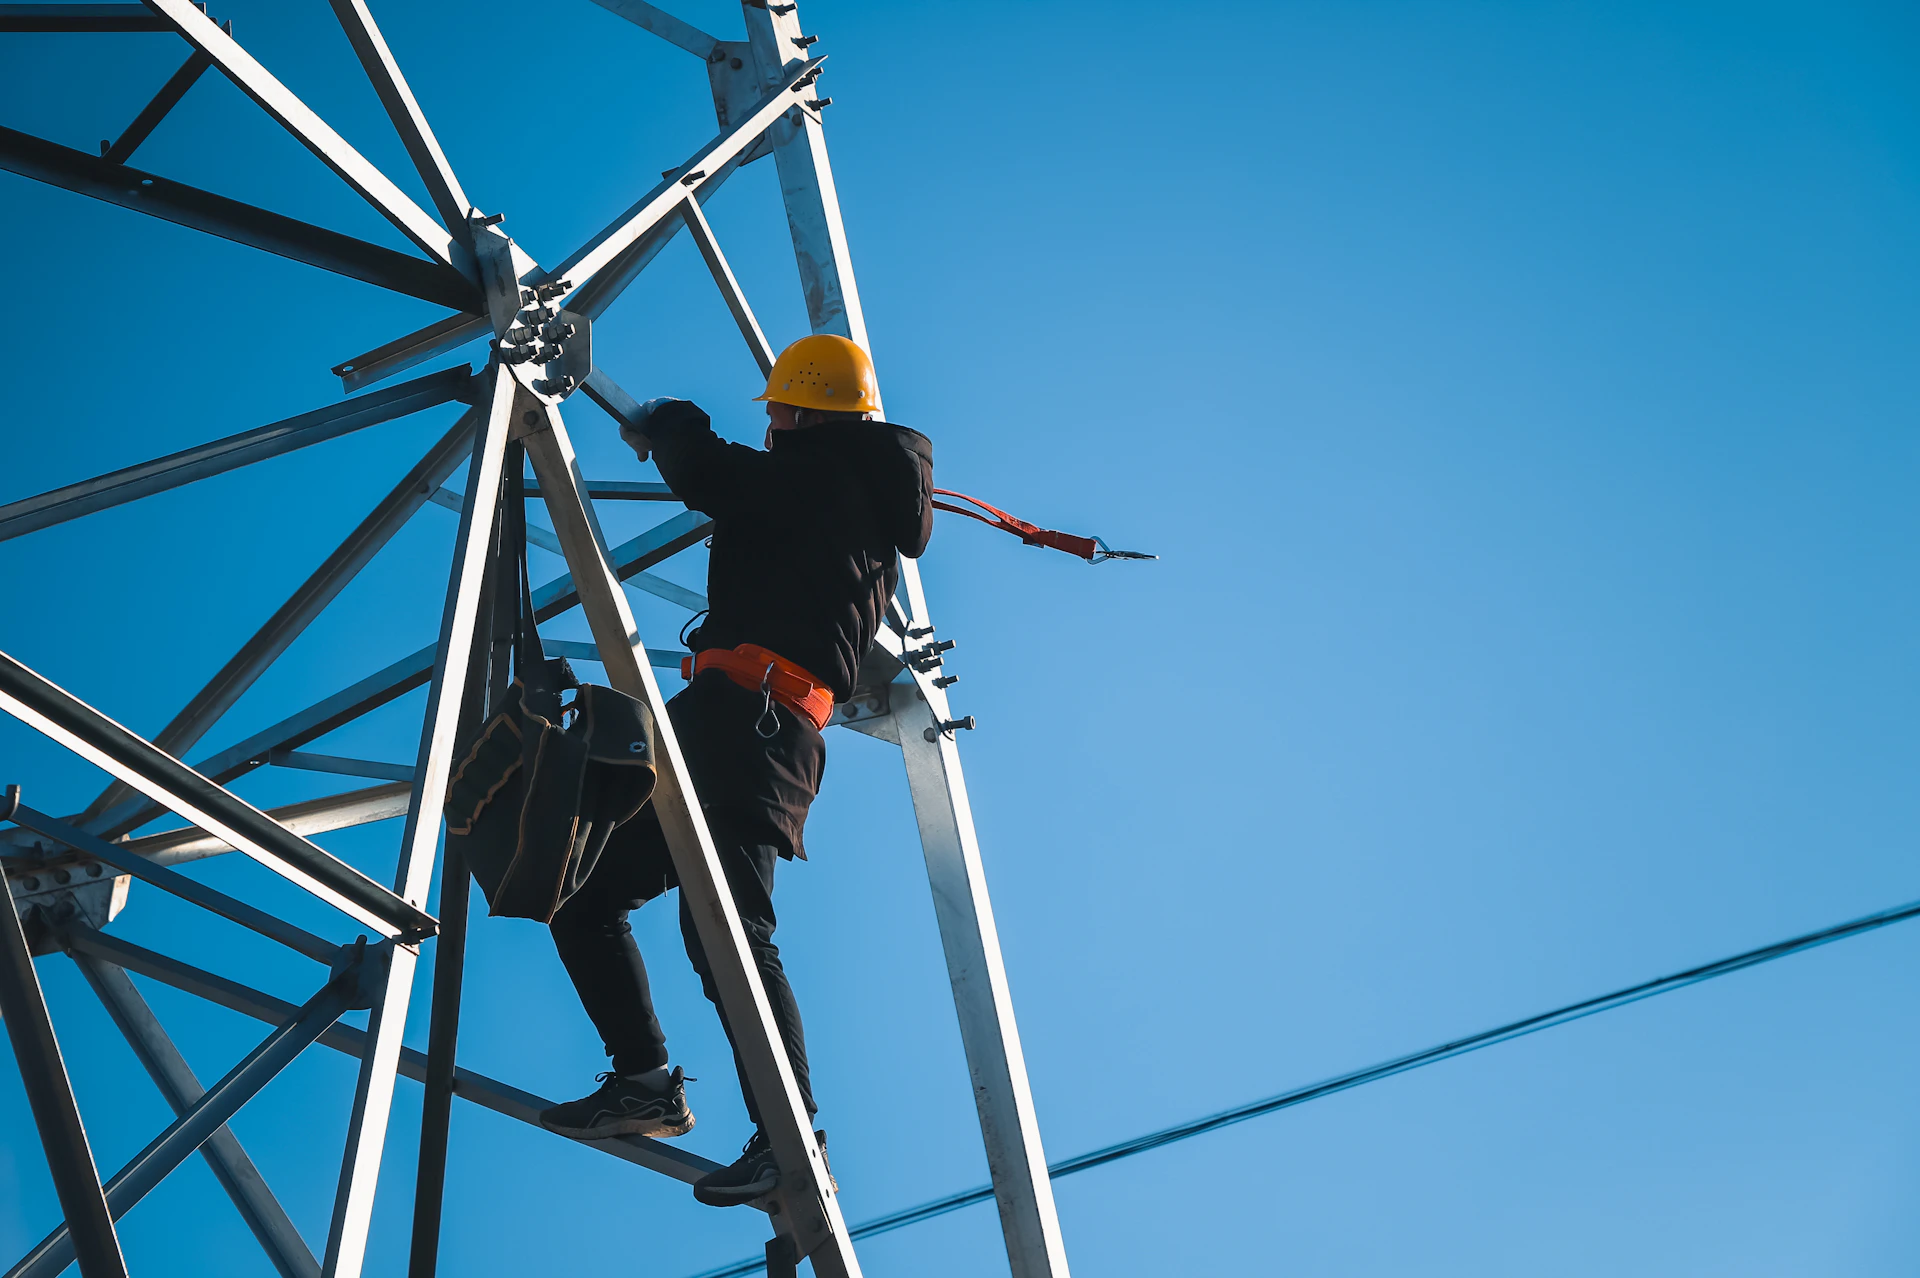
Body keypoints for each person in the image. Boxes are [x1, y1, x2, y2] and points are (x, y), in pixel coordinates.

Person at [537, 334, 934, 1207]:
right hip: (727, 720)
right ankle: (645, 1084)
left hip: (757, 726)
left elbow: (708, 472)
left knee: (728, 930)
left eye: (779, 410)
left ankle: (792, 1139)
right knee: (586, 894)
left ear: (802, 413)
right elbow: (729, 480)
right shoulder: (832, 481)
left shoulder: (825, 481)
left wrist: (670, 421)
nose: (771, 424)